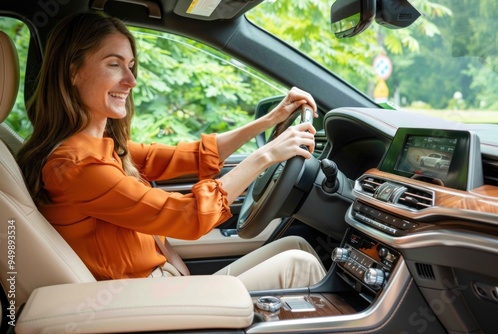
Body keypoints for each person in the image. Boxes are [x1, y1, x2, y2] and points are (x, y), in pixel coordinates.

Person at [17, 12, 326, 291]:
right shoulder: (77, 166)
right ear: (73, 71)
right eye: (114, 64)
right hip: (139, 301)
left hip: (162, 285)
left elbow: (192, 155)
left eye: (131, 66)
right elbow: (189, 216)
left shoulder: (104, 150)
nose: (131, 81)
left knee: (296, 247)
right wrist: (266, 156)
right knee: (301, 267)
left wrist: (271, 119)